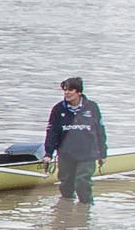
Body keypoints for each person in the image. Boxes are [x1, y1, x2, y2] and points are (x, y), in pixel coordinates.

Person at [45, 76, 108, 204]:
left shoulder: (92, 107)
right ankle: (66, 212)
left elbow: (100, 131)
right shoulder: (58, 109)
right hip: (66, 154)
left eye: (70, 90)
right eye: (65, 90)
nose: (67, 93)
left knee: (82, 182)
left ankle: (87, 206)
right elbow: (52, 132)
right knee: (66, 185)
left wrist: (103, 153)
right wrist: (48, 153)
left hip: (87, 153)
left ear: (79, 92)